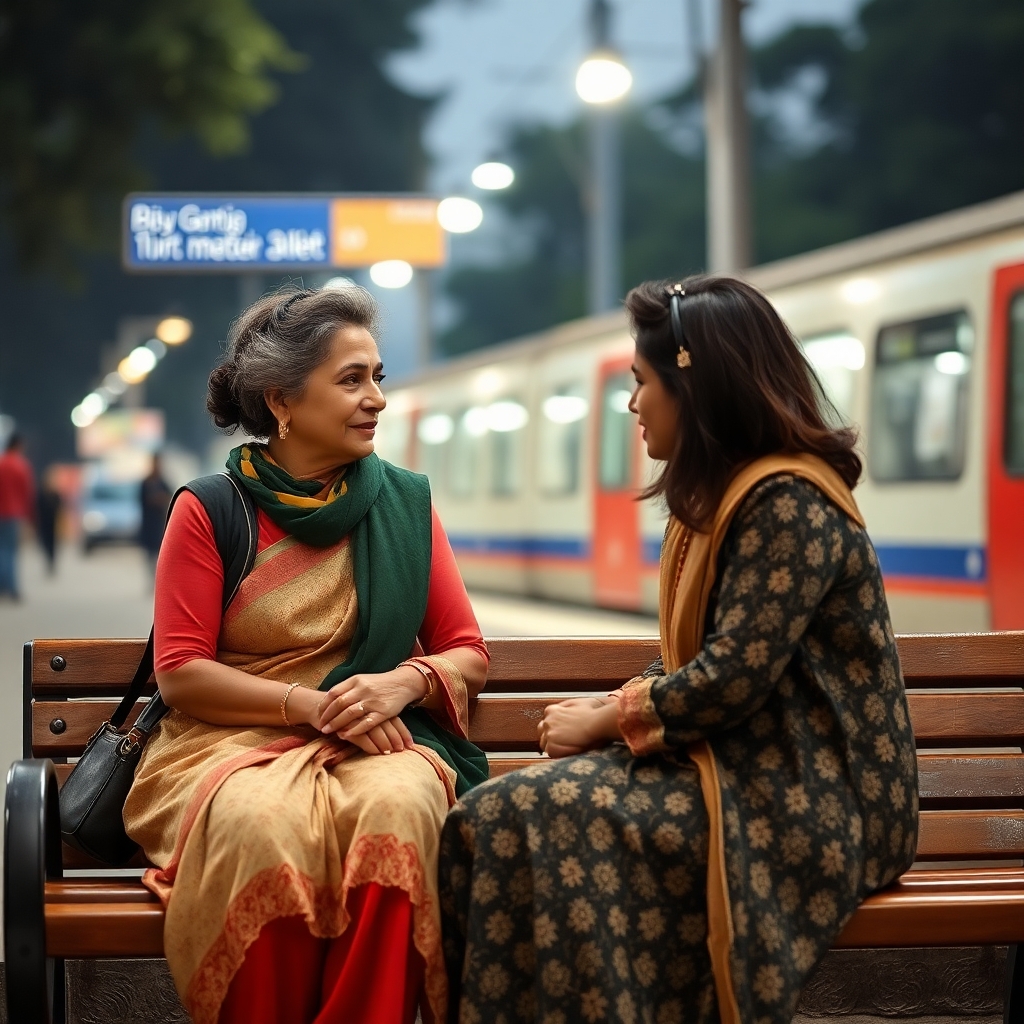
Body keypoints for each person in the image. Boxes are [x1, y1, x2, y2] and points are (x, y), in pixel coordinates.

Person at [439, 276, 919, 1024]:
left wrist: (607, 720)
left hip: (813, 798)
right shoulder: (725, 497)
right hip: (742, 768)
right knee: (487, 818)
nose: (632, 404)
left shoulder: (785, 499)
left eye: (640, 382)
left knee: (553, 813)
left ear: (694, 386)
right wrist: (616, 707)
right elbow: (705, 658)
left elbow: (731, 678)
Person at [123, 286, 489, 1024]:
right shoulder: (210, 509)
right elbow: (181, 672)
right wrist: (311, 705)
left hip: (376, 738)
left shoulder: (404, 503)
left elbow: (466, 652)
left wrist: (406, 682)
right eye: (351, 380)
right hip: (225, 745)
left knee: (402, 803)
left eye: (377, 377)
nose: (376, 399)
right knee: (261, 823)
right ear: (282, 400)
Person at [0, 433, 36, 599]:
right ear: (18, 445)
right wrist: (30, 517)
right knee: (10, 551)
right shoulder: (20, 465)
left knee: (2, 550)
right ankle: (12, 588)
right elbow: (27, 493)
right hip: (13, 513)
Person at [138, 452, 172, 577]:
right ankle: (152, 578)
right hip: (149, 523)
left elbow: (170, 497)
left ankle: (159, 577)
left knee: (161, 554)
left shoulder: (163, 482)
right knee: (149, 555)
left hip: (160, 523)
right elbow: (144, 500)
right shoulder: (146, 482)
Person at [37, 466, 62, 575]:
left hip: (53, 522)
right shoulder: (41, 494)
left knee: (52, 543)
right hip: (43, 522)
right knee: (44, 543)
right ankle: (49, 560)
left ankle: (52, 562)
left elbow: (61, 508)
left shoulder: (55, 494)